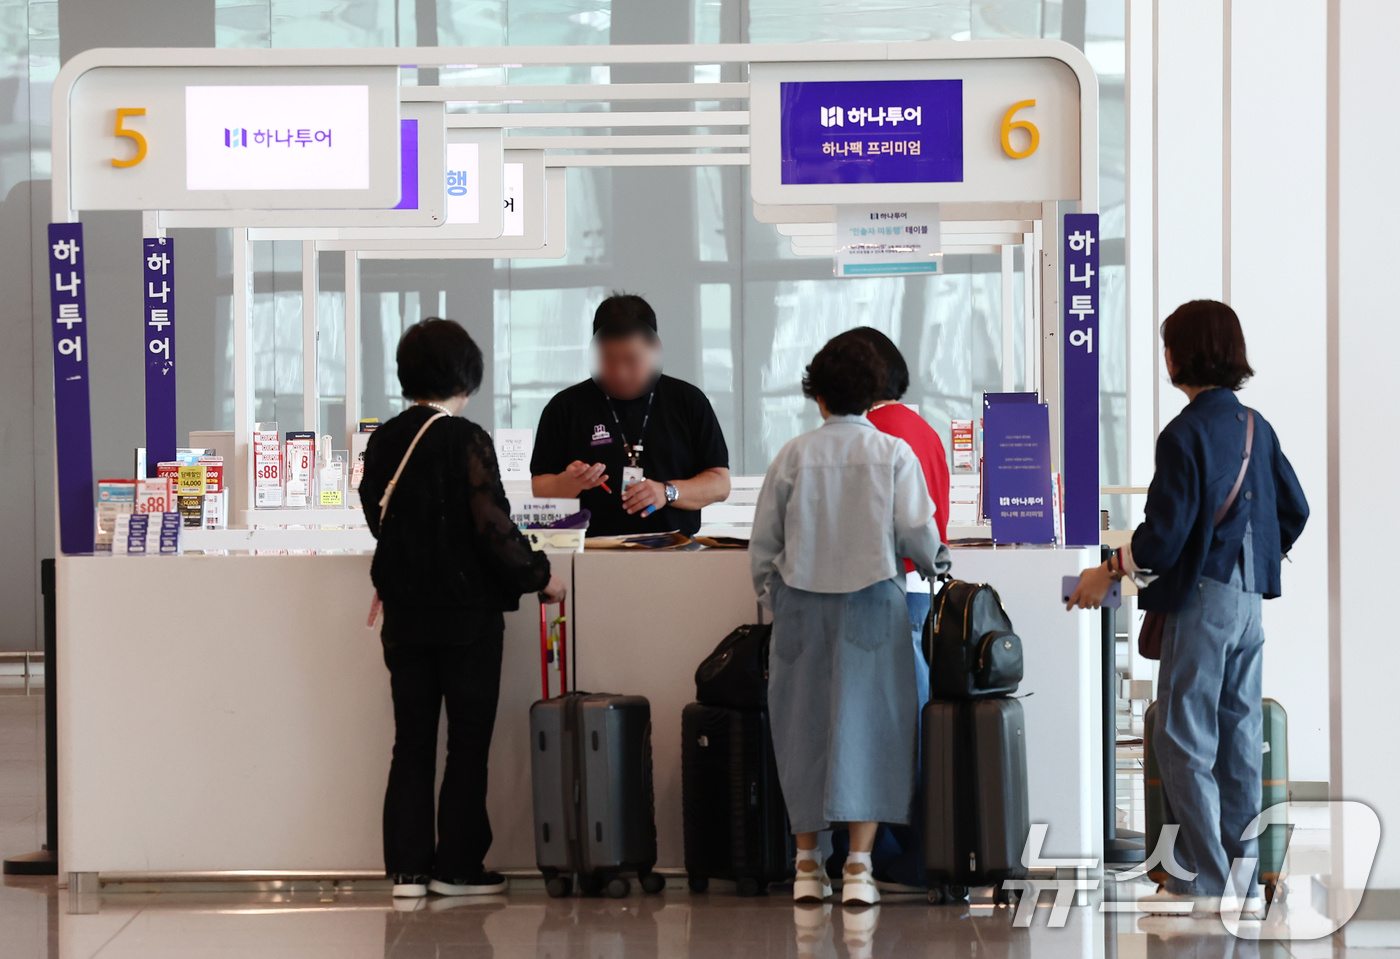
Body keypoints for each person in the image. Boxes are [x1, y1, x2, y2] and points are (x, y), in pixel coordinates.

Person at [1068, 300, 1308, 915]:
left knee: (1182, 738)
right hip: (1252, 600)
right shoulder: (1258, 426)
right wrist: (1252, 557)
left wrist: (1110, 570)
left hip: (1204, 599)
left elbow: (1163, 536)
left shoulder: (1185, 433)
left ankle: (1203, 878)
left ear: (1179, 356)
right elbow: (1294, 510)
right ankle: (1244, 882)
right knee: (1238, 737)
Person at [360, 318, 568, 900]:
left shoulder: (384, 440)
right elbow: (492, 527)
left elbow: (379, 518)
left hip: (405, 616)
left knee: (412, 741)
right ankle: (456, 868)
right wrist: (541, 577)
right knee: (467, 741)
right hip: (466, 619)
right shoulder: (464, 437)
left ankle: (406, 872)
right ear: (466, 375)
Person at [750, 334, 949, 907]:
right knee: (875, 731)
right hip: (873, 608)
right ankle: (859, 868)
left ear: (818, 396)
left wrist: (777, 599)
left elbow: (763, 549)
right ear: (873, 395)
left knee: (801, 730)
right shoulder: (893, 454)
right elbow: (919, 534)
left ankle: (807, 866)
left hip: (801, 611)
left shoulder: (791, 455)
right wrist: (939, 563)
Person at [826, 326, 951, 893]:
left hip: (878, 596)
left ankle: (881, 855)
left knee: (869, 731)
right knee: (910, 724)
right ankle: (918, 853)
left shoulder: (870, 435)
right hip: (923, 597)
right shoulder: (924, 432)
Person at [531, 294, 731, 537]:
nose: (620, 372)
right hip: (591, 552)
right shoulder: (565, 407)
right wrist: (570, 482)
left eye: (631, 359)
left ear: (654, 348)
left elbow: (720, 483)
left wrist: (667, 492)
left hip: (675, 552)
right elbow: (540, 487)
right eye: (608, 359)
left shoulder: (687, 401)